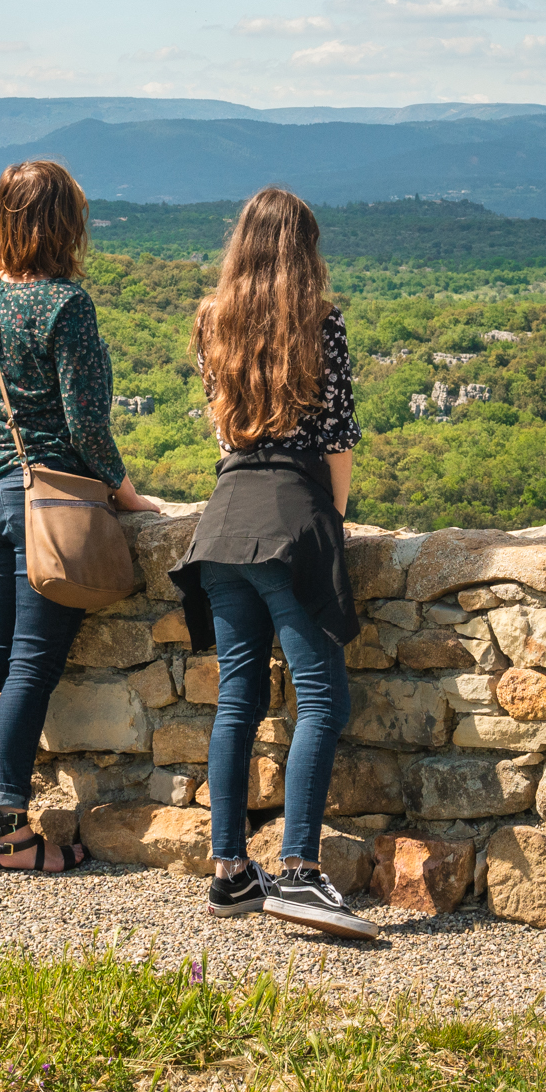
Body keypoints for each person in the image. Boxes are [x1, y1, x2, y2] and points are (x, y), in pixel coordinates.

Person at [0, 159, 160, 873]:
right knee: (29, 662)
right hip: (46, 500)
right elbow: (86, 425)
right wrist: (125, 493)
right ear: (66, 226)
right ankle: (8, 831)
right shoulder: (67, 306)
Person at [170, 186, 371, 938]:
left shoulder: (210, 323)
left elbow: (227, 439)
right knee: (321, 699)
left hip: (222, 522)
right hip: (292, 518)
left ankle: (229, 872)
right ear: (306, 253)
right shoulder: (321, 327)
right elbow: (337, 442)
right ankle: (299, 871)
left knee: (239, 700)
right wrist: (331, 528)